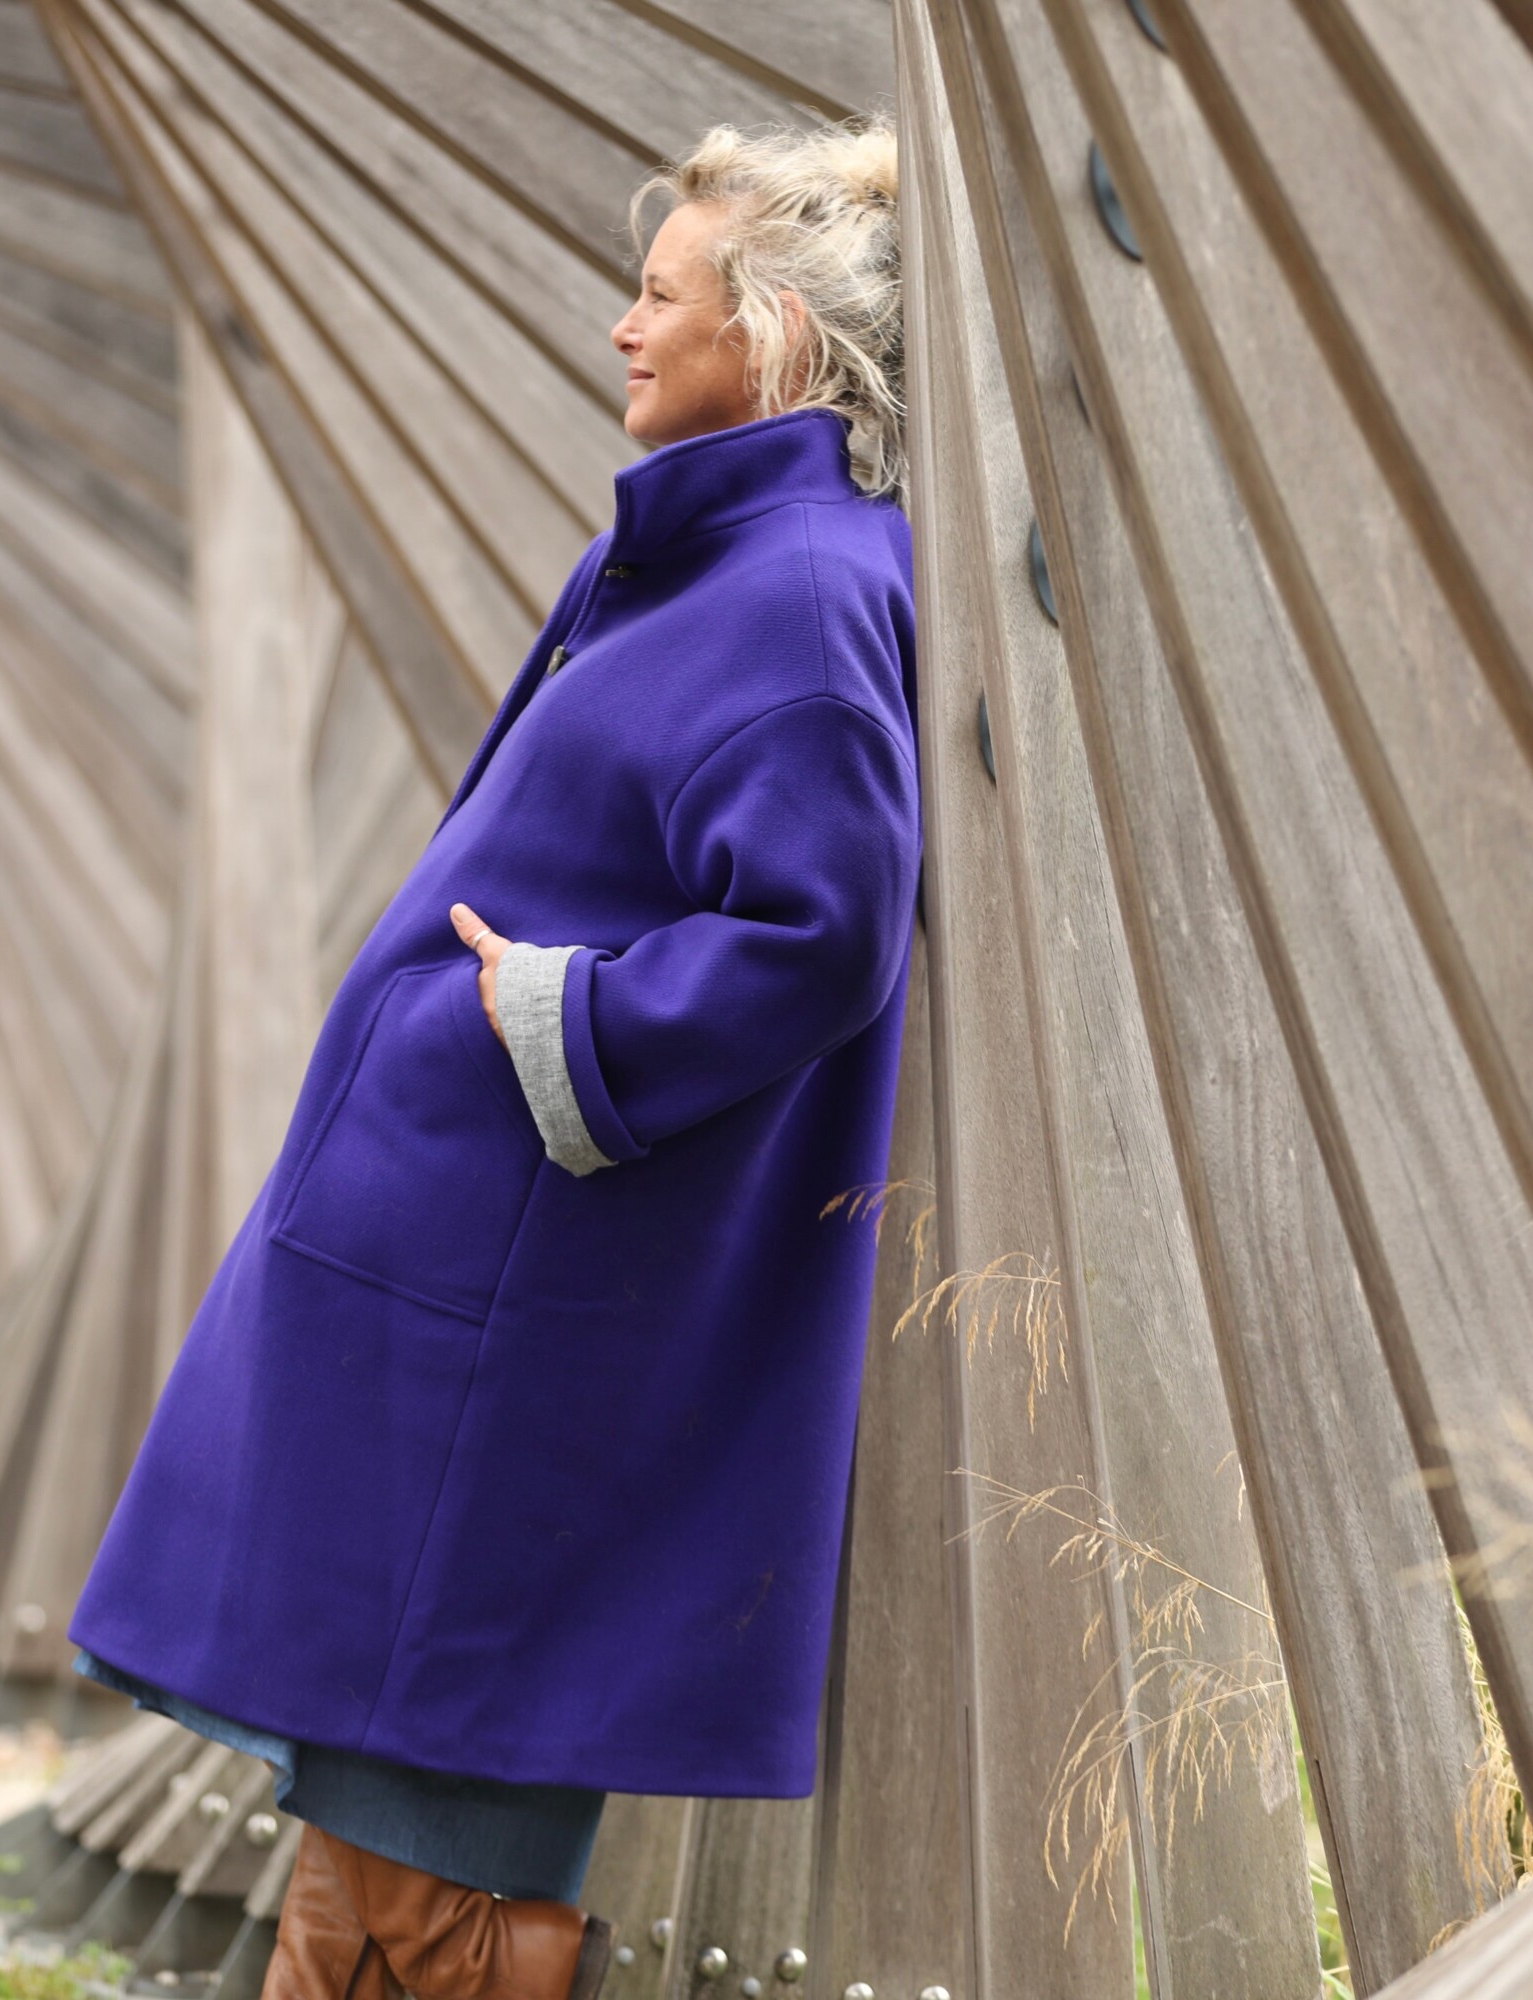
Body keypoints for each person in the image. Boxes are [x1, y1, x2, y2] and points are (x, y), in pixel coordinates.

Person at [68, 114, 917, 2000]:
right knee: (372, 1823)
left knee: (433, 1836)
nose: (625, 326)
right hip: (465, 1267)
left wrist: (554, 1023)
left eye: (662, 295)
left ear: (774, 336)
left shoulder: (797, 591)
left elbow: (826, 929)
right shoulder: (707, 563)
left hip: (520, 1297)